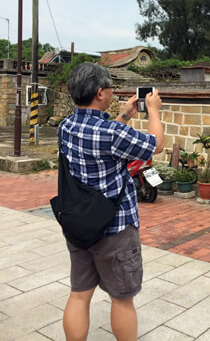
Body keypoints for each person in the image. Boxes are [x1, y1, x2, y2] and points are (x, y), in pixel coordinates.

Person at [58, 63, 163, 341]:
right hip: (115, 228)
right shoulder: (112, 134)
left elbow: (102, 135)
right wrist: (152, 109)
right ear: (101, 92)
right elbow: (155, 143)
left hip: (80, 225)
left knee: (79, 296)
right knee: (122, 299)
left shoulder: (65, 127)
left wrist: (125, 115)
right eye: (111, 88)